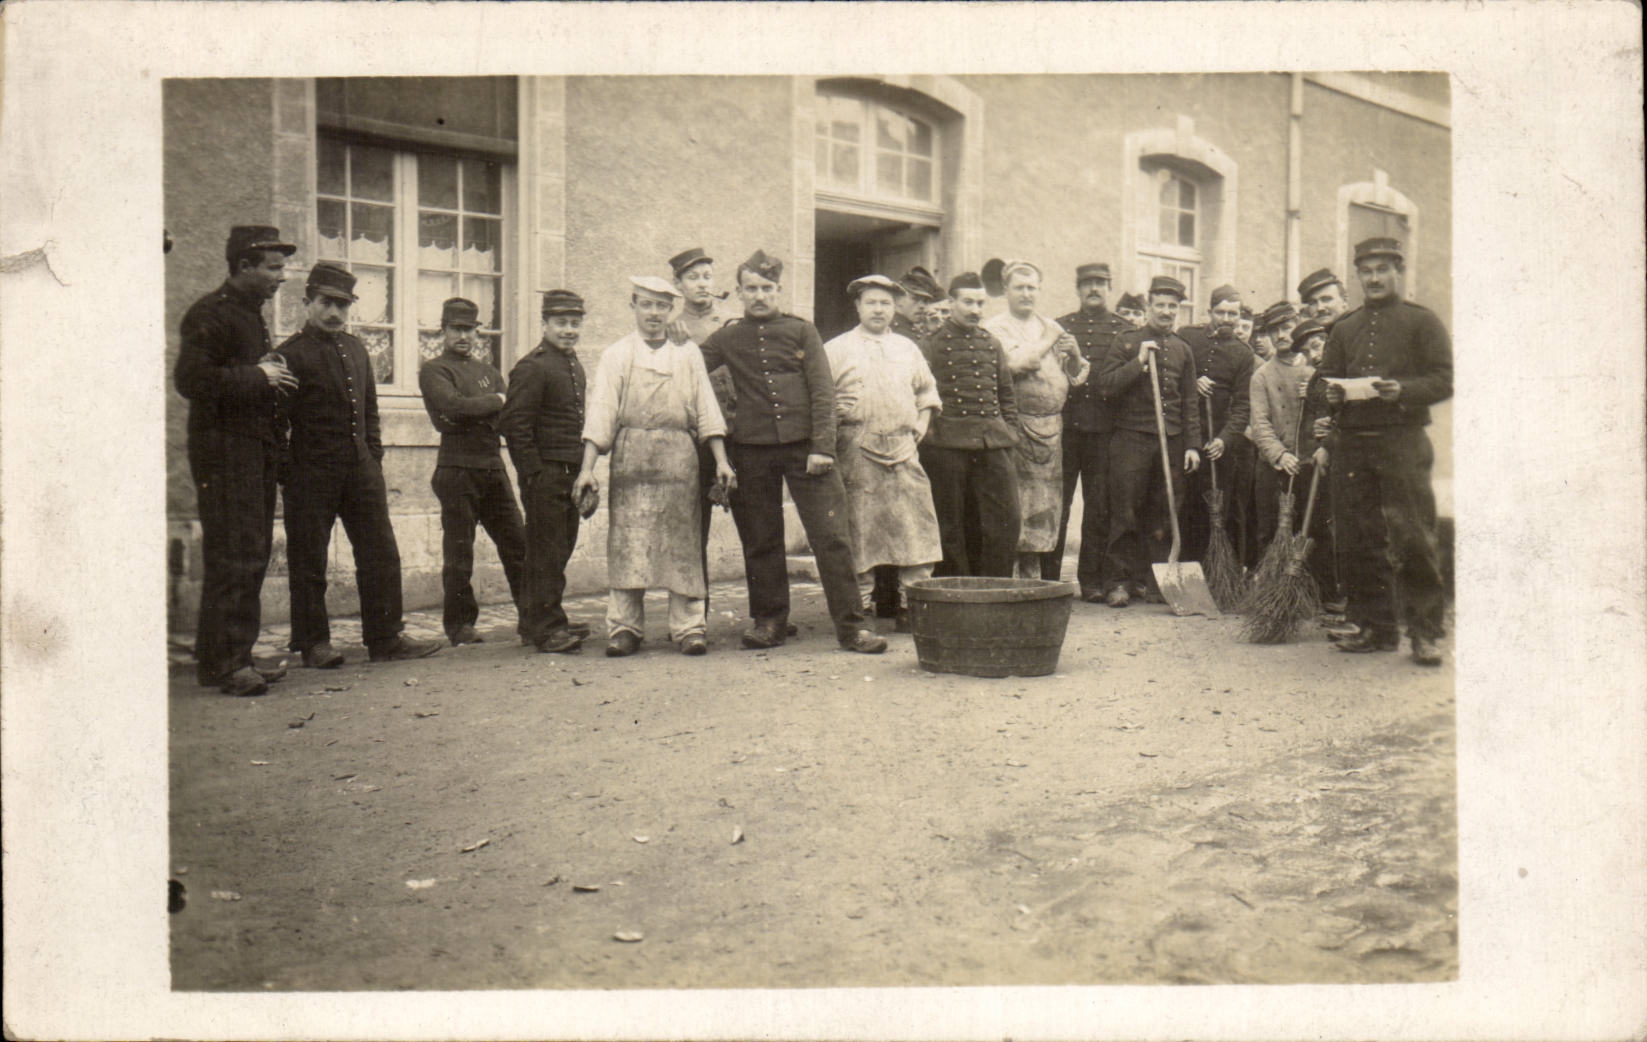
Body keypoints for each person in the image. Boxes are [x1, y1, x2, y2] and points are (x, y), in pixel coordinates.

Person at [699, 250, 886, 654]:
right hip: (752, 450)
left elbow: (823, 391)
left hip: (807, 451)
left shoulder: (802, 332)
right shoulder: (727, 338)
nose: (760, 295)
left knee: (832, 537)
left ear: (779, 289)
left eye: (767, 288)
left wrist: (822, 447)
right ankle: (769, 622)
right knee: (761, 539)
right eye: (752, 289)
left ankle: (853, 627)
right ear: (739, 293)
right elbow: (690, 368)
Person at [275, 264, 441, 667]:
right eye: (326, 303)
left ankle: (385, 639)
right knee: (309, 559)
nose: (335, 313)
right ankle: (313, 644)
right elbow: (276, 424)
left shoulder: (356, 350)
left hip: (360, 471)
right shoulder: (289, 355)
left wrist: (373, 460)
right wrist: (290, 474)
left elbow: (370, 415)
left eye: (343, 305)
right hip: (310, 473)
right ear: (307, 303)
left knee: (380, 553)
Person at [574, 276, 735, 657]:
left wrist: (722, 461)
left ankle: (689, 627)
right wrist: (587, 469)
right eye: (647, 304)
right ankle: (625, 627)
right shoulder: (617, 354)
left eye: (662, 306)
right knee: (629, 543)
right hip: (632, 457)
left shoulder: (688, 353)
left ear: (670, 311)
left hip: (679, 457)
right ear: (633, 306)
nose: (654, 313)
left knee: (683, 543)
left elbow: (707, 410)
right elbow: (600, 414)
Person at [175, 225, 298, 696]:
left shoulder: (248, 315)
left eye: (281, 267)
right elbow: (191, 380)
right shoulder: (211, 313)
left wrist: (266, 372)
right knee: (236, 556)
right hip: (224, 456)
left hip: (251, 453)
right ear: (243, 266)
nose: (281, 276)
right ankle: (229, 664)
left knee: (248, 554)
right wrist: (258, 375)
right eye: (273, 266)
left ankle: (224, 658)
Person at [1318, 238, 1452, 666]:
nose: (1374, 278)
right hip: (1353, 446)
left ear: (1399, 271)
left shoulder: (1422, 321)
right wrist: (1333, 398)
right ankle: (1375, 628)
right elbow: (1327, 381)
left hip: (1403, 442)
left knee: (1413, 536)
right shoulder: (1344, 328)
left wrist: (1405, 391)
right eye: (1366, 270)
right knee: (1358, 539)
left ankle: (1426, 633)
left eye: (1382, 269)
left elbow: (1444, 379)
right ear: (1358, 276)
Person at [822, 274, 943, 627]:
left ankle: (914, 605)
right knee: (860, 529)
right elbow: (821, 400)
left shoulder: (907, 348)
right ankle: (860, 609)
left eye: (886, 303)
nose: (879, 309)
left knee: (914, 526)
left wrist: (921, 422)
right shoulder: (836, 348)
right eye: (871, 302)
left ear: (895, 309)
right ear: (858, 306)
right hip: (856, 450)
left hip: (904, 448)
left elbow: (927, 392)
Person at [417, 297, 527, 646]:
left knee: (518, 544)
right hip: (456, 469)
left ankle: (534, 615)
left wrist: (476, 410)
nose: (463, 336)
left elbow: (506, 419)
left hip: (493, 467)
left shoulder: (488, 372)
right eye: (456, 329)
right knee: (459, 551)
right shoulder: (435, 370)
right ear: (443, 331)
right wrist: (493, 402)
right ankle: (460, 625)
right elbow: (450, 410)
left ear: (477, 332)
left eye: (469, 329)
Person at [1095, 275, 1202, 607]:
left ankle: (1155, 582)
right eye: (1160, 305)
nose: (1167, 311)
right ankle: (1118, 582)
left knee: (1164, 511)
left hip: (1170, 440)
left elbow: (1189, 402)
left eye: (1173, 306)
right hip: (1131, 439)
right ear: (1149, 306)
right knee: (1125, 510)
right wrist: (1139, 361)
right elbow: (1107, 386)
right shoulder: (1127, 342)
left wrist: (1192, 445)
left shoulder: (1183, 349)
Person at [499, 290, 594, 654]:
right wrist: (533, 474)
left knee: (560, 548)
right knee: (547, 552)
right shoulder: (533, 366)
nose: (569, 330)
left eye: (574, 323)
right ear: (545, 324)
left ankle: (536, 619)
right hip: (546, 474)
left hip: (570, 472)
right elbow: (514, 424)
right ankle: (548, 627)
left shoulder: (572, 364)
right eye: (561, 323)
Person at [982, 260, 1089, 579]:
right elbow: (1020, 364)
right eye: (1020, 287)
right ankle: (1010, 577)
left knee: (1046, 506)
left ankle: (1032, 576)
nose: (1026, 293)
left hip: (1051, 428)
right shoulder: (995, 328)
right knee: (1016, 505)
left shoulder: (1046, 324)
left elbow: (1075, 376)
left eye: (1032, 288)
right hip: (1016, 427)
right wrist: (1051, 337)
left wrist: (1074, 354)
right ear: (1005, 290)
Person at [918, 271, 1022, 578]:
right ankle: (957, 590)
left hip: (992, 442)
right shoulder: (930, 345)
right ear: (951, 303)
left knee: (1006, 518)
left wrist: (1011, 432)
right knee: (951, 522)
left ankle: (996, 586)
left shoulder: (992, 343)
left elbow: (1006, 394)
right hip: (946, 444)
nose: (976, 309)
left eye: (980, 302)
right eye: (968, 302)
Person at [1050, 263, 1133, 598]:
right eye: (1087, 284)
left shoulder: (1124, 330)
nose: (1094, 289)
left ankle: (1093, 582)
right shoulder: (1060, 327)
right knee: (1059, 505)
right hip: (1066, 431)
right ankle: (1048, 579)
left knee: (1098, 508)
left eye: (1100, 283)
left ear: (1110, 287)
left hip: (1104, 432)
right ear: (1078, 288)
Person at [665, 247, 738, 616]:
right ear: (678, 285)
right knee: (694, 529)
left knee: (756, 524)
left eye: (707, 276)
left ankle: (768, 612)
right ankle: (697, 614)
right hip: (696, 438)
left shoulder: (733, 322)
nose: (702, 284)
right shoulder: (671, 329)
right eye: (693, 278)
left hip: (739, 433)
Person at [1248, 309, 1336, 598]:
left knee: (1312, 531)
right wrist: (1279, 454)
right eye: (1274, 330)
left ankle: (1313, 595)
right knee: (1270, 530)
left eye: (1288, 327)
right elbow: (1259, 423)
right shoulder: (1261, 375)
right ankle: (1271, 594)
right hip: (1273, 466)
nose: (1282, 334)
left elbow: (1326, 417)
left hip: (1309, 464)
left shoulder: (1315, 372)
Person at [1178, 285, 1255, 565]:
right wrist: (1193, 378)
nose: (1226, 319)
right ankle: (1184, 566)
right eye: (1220, 312)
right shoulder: (1188, 337)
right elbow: (1172, 370)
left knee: (1220, 509)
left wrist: (1225, 439)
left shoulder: (1244, 354)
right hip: (1185, 436)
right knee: (1183, 506)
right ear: (1209, 312)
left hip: (1219, 442)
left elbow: (1243, 404)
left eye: (1232, 314)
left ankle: (1218, 572)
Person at [893, 266, 941, 340]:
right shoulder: (891, 330)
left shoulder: (913, 328)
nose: (922, 306)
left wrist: (931, 332)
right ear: (898, 299)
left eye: (925, 301)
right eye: (915, 299)